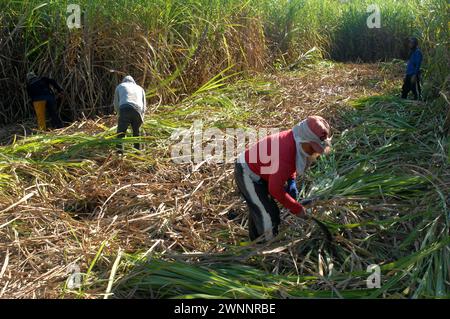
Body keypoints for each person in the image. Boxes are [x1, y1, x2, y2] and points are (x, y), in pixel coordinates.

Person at [234, 116, 332, 242]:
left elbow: (290, 165)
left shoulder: (294, 139)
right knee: (268, 215)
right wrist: (296, 208)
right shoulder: (285, 154)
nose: (314, 152)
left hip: (263, 170)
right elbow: (275, 190)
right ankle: (263, 248)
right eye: (313, 148)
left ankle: (255, 236)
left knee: (262, 207)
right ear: (304, 140)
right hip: (247, 172)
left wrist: (291, 181)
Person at [114, 75, 147, 153]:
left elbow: (116, 103)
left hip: (125, 109)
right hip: (138, 110)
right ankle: (138, 152)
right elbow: (144, 105)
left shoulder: (120, 86)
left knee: (121, 133)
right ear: (133, 82)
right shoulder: (140, 88)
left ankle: (119, 153)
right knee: (137, 133)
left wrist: (119, 114)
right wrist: (142, 117)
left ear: (124, 81)